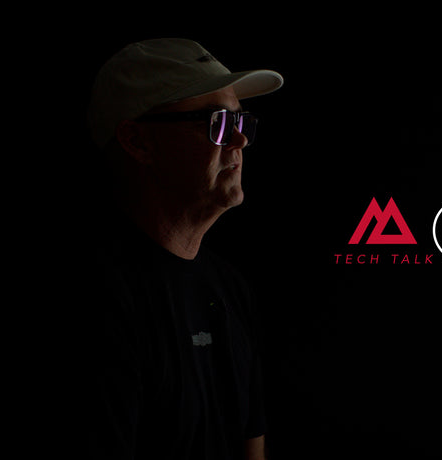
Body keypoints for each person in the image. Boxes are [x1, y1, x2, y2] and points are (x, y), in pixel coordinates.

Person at [80, 38, 283, 459]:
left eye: (241, 122)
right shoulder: (98, 299)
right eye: (218, 123)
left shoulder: (230, 288)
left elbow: (252, 447)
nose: (240, 141)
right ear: (138, 142)